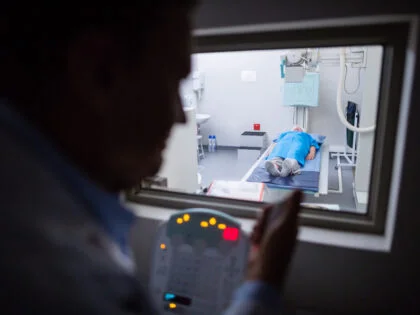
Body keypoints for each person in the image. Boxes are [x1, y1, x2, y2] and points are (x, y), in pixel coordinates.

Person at [0, 3, 302, 315]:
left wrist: (259, 276)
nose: (181, 117)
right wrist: (263, 287)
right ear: (100, 73)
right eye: (173, 82)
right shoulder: (59, 279)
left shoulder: (29, 209)